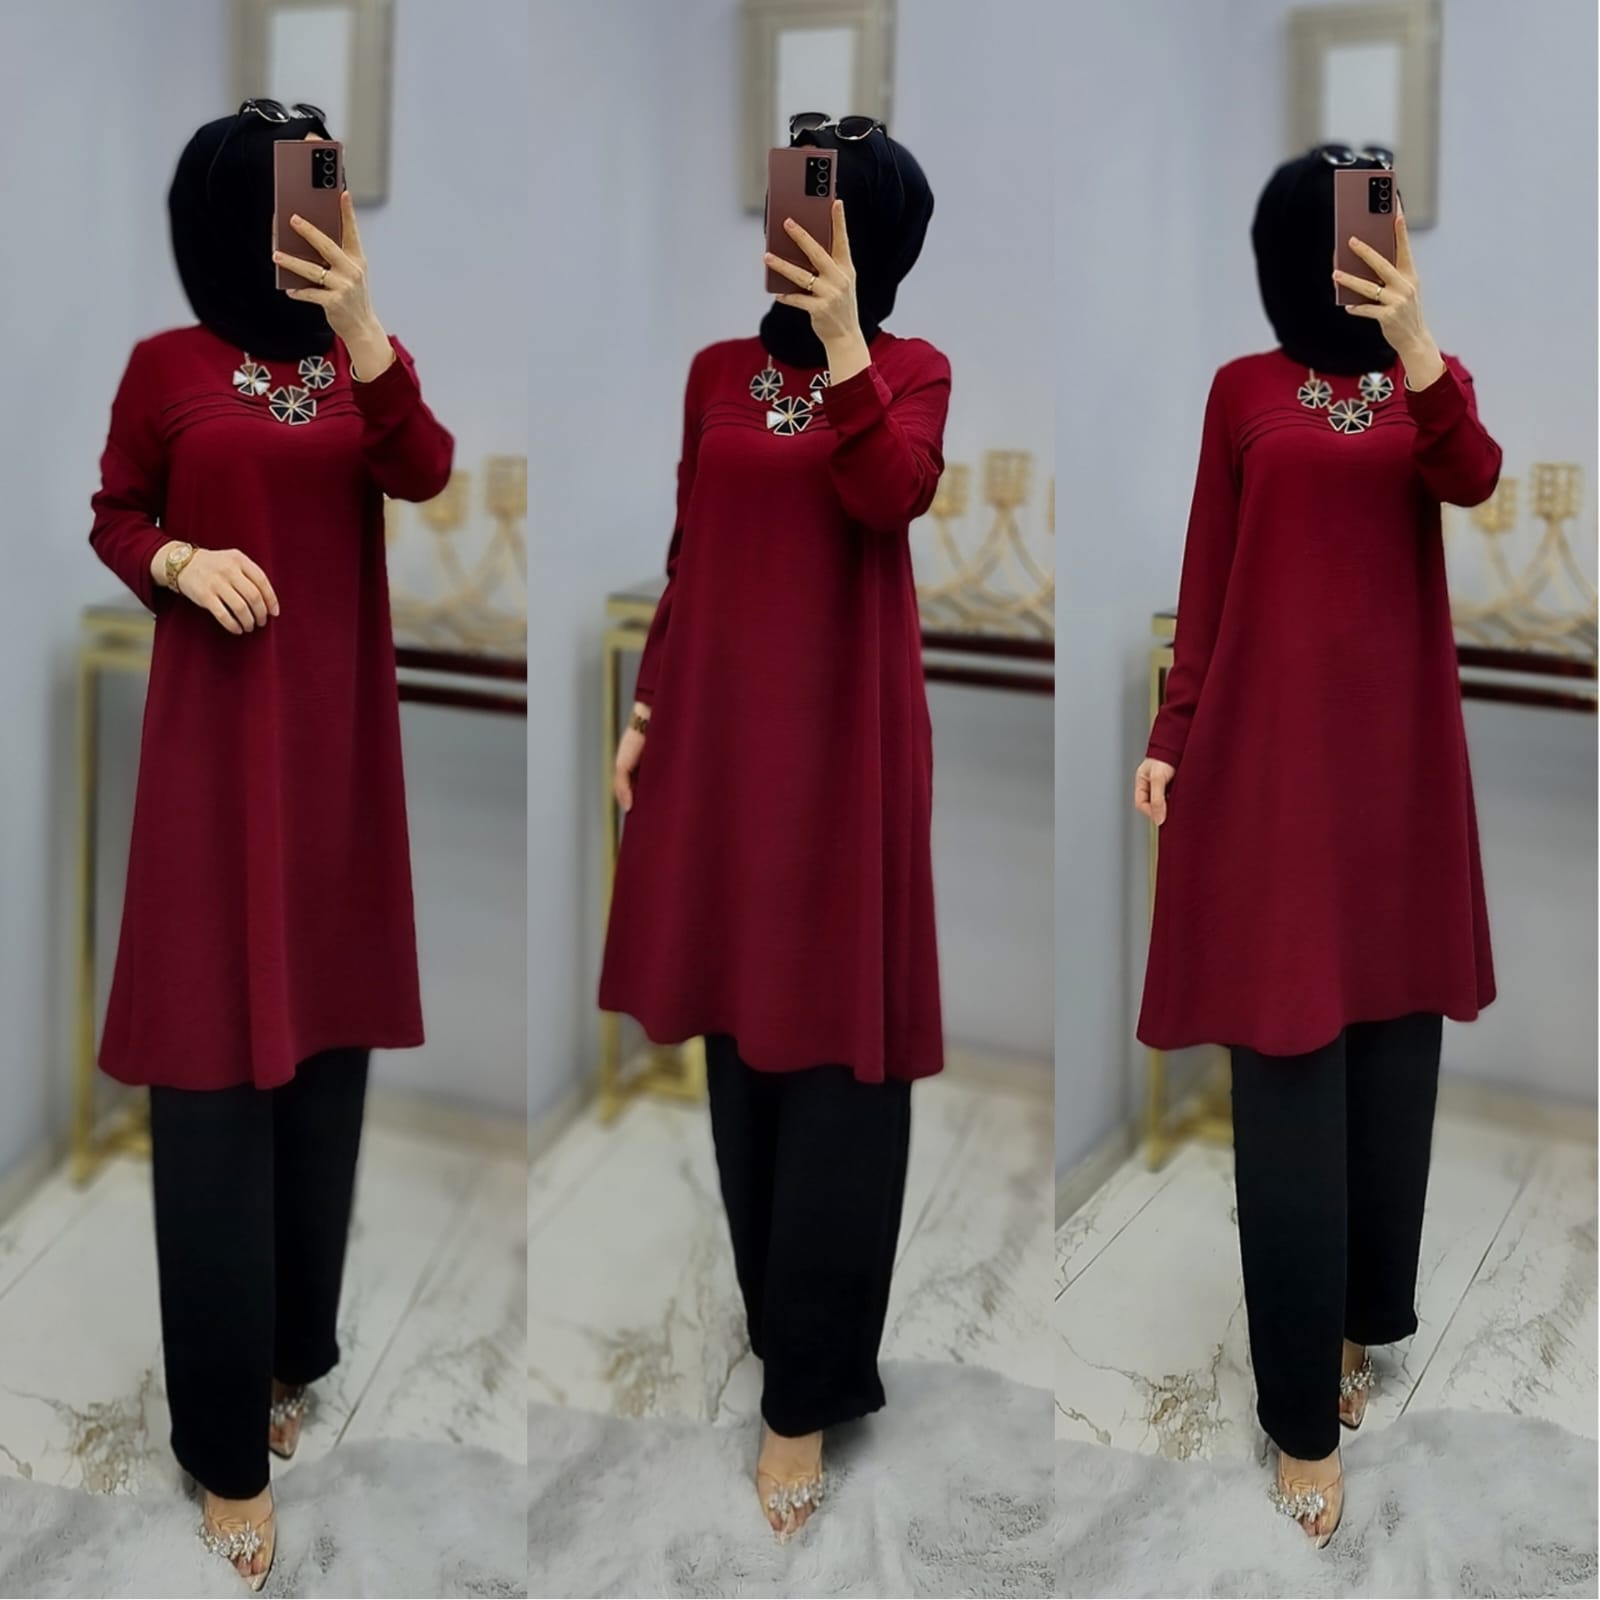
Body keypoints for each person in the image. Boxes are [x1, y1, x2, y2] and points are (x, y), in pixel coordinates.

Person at [89, 101, 453, 1588]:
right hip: (211, 772)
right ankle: (222, 1445)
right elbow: (115, 512)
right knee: (212, 1092)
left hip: (338, 768)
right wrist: (176, 557)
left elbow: (424, 470)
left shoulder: (364, 366)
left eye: (335, 192)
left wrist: (363, 324)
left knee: (323, 1078)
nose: (324, 216)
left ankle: (292, 1352)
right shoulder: (164, 369)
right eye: (299, 196)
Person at [1133, 148, 1500, 1546]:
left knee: (1392, 1062)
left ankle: (1355, 1321)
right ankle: (1299, 1412)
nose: (1364, 247)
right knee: (1287, 1075)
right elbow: (1208, 573)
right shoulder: (1242, 391)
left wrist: (1419, 346)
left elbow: (1473, 478)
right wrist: (1174, 727)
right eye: (1342, 230)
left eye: (1381, 226)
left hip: (1396, 779)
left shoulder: (1428, 386)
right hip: (1271, 773)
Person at [598, 116, 947, 1540]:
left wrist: (847, 340)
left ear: (878, 238)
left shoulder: (912, 373)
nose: (791, 231)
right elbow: (690, 554)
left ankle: (806, 1391)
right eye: (785, 204)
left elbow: (888, 495)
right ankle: (776, 1323)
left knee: (840, 1057)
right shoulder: (712, 377)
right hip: (723, 752)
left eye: (826, 212)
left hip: (849, 757)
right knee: (741, 1042)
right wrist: (647, 706)